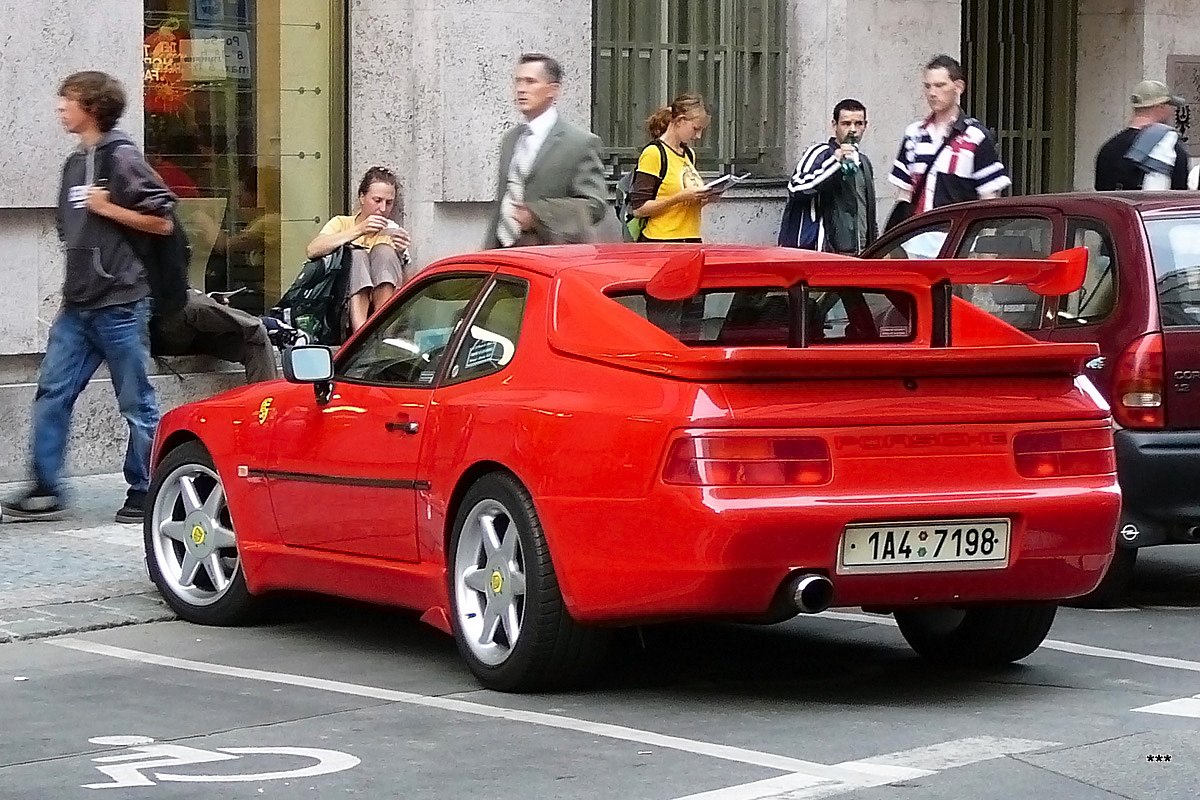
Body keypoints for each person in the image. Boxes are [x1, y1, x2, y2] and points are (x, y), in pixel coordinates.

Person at [2, 71, 171, 524]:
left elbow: (163, 221)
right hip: (78, 307)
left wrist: (109, 209)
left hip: (120, 303)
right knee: (52, 392)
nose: (60, 107)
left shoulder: (123, 157)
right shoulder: (75, 163)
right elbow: (67, 226)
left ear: (92, 107)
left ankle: (144, 488)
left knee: (136, 403)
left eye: (68, 99)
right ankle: (45, 487)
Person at [484, 53, 607, 249]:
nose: (521, 89)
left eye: (530, 82)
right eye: (518, 82)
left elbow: (595, 206)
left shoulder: (580, 143)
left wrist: (538, 214)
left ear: (553, 90)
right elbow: (504, 204)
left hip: (550, 256)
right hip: (505, 253)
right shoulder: (511, 140)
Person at [889, 55, 1011, 222]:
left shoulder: (976, 137)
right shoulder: (914, 134)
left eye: (940, 85)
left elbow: (989, 198)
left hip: (955, 240)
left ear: (958, 87)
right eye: (927, 86)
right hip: (914, 239)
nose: (932, 93)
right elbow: (904, 193)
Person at [306, 166, 411, 333]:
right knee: (357, 254)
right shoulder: (341, 223)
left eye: (389, 202)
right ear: (362, 197)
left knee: (384, 251)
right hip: (341, 308)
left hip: (383, 307)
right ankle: (360, 334)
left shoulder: (392, 231)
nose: (383, 209)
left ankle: (383, 332)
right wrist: (359, 230)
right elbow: (312, 250)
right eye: (377, 200)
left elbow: (407, 288)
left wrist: (401, 255)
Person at [779, 98, 878, 254]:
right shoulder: (821, 153)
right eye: (846, 124)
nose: (852, 129)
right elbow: (796, 187)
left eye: (858, 124)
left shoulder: (864, 162)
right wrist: (834, 162)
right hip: (821, 253)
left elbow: (868, 212)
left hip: (860, 253)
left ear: (866, 126)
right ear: (834, 125)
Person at [627, 93, 719, 243]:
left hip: (691, 239)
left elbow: (685, 205)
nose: (698, 136)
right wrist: (679, 197)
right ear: (680, 121)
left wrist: (707, 197)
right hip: (662, 241)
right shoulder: (654, 153)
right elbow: (639, 208)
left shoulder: (689, 154)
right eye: (695, 129)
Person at [152, 289, 279, 383]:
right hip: (153, 326)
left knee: (256, 342)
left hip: (190, 332)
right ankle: (257, 323)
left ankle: (266, 408)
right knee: (190, 304)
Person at [1095, 80, 1190, 191]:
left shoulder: (1108, 149)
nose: (1172, 112)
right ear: (1160, 107)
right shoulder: (1169, 147)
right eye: (1170, 106)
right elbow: (1178, 197)